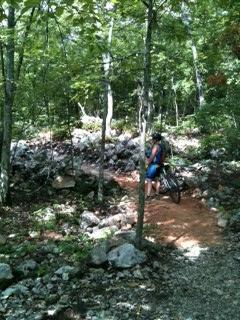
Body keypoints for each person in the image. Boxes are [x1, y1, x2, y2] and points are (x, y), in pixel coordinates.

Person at [145, 132, 164, 198]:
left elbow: (152, 156)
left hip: (154, 165)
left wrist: (147, 163)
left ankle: (148, 195)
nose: (152, 140)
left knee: (149, 179)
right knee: (158, 178)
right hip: (160, 164)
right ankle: (157, 193)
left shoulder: (156, 146)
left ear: (155, 139)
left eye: (153, 138)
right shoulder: (161, 146)